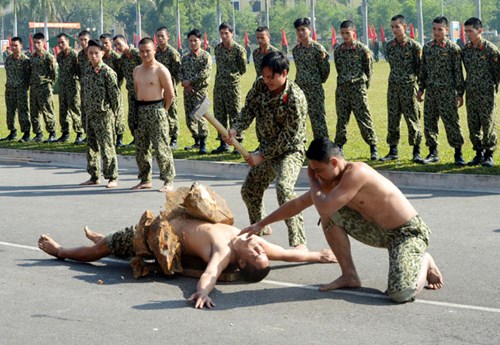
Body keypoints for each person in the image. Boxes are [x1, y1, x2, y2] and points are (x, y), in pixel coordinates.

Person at [242, 138, 444, 303]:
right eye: (313, 171)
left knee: (400, 294)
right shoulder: (331, 180)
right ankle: (350, 275)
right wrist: (260, 223)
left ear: (334, 162)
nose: (315, 175)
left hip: (407, 233)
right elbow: (298, 204)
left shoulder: (358, 173)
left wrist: (312, 180)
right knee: (329, 216)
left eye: (318, 170)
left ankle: (424, 261)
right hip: (380, 232)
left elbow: (324, 205)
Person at [37, 208, 337, 309]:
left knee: (99, 252)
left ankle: (61, 250)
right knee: (113, 242)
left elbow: (210, 275)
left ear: (242, 263)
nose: (260, 248)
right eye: (261, 251)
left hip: (158, 235)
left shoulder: (225, 252)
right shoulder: (253, 243)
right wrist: (319, 256)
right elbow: (287, 254)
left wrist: (203, 293)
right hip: (176, 217)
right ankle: (108, 240)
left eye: (256, 253)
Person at [226, 51, 308, 249]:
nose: (267, 80)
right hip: (266, 150)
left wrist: (261, 156)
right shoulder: (260, 85)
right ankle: (260, 228)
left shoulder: (295, 98)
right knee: (250, 190)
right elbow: (249, 110)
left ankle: (299, 241)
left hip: (290, 151)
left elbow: (290, 136)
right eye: (264, 75)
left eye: (271, 77)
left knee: (284, 188)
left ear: (285, 73)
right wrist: (236, 129)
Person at [417, 16, 465, 165]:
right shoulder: (428, 47)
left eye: (440, 29)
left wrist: (460, 93)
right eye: (434, 29)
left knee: (451, 122)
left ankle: (458, 154)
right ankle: (433, 152)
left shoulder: (453, 49)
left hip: (447, 92)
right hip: (431, 91)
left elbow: (458, 73)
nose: (436, 32)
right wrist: (420, 89)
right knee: (429, 122)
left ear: (446, 30)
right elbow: (423, 70)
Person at [131, 37, 176, 193]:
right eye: (142, 51)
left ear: (154, 50)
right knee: (141, 148)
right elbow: (137, 90)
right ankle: (145, 179)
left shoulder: (160, 70)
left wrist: (164, 110)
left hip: (157, 109)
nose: (144, 54)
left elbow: (170, 94)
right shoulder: (136, 70)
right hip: (141, 110)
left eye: (148, 51)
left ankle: (168, 179)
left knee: (161, 146)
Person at [79, 39, 122, 188]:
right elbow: (83, 93)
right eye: (90, 53)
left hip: (104, 115)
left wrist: (118, 118)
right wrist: (82, 112)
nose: (93, 56)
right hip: (89, 113)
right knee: (91, 146)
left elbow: (116, 97)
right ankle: (94, 175)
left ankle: (112, 177)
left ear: (102, 53)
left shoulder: (108, 72)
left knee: (107, 147)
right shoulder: (86, 71)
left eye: (96, 53)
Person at [333, 20, 379, 160]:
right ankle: (339, 147)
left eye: (347, 33)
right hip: (342, 89)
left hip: (358, 88)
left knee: (364, 118)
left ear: (354, 32)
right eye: (342, 33)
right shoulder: (338, 51)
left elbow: (369, 71)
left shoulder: (362, 50)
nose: (345, 36)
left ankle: (373, 147)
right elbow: (339, 69)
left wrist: (363, 87)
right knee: (342, 120)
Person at [381, 15, 423, 162]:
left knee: (412, 119)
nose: (394, 29)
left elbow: (420, 70)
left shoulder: (414, 46)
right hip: (393, 87)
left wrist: (420, 89)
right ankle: (393, 150)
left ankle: (416, 151)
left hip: (409, 87)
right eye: (392, 27)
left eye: (397, 26)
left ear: (404, 27)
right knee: (393, 118)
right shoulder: (389, 46)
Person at [461, 17, 500, 167]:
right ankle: (478, 153)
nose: (468, 34)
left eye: (470, 31)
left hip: (486, 94)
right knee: (473, 124)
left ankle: (489, 154)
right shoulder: (466, 50)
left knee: (488, 123)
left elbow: (497, 72)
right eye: (466, 31)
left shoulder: (490, 50)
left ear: (480, 31)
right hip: (471, 92)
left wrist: (491, 87)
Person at [292, 17, 330, 140]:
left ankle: (322, 147)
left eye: (303, 29)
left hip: (314, 88)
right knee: (299, 118)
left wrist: (317, 81)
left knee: (318, 119)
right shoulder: (296, 50)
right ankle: (300, 146)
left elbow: (325, 69)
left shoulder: (318, 49)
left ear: (309, 30)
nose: (301, 33)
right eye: (298, 30)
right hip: (300, 89)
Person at [211, 22, 246, 154]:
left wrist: (232, 77)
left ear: (232, 33)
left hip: (232, 86)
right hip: (219, 86)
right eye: (222, 33)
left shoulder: (239, 50)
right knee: (219, 114)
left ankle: (238, 143)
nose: (224, 36)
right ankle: (223, 143)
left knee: (235, 114)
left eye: (227, 33)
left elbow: (242, 69)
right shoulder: (218, 49)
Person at [179, 29, 212, 154]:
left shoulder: (205, 56)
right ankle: (196, 140)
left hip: (200, 92)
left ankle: (203, 143)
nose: (193, 43)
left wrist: (190, 82)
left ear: (200, 41)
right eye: (191, 41)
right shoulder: (185, 58)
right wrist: (185, 83)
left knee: (201, 117)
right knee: (189, 118)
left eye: (195, 40)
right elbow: (180, 72)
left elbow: (205, 73)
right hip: (188, 92)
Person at [155, 26, 182, 150]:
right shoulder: (155, 52)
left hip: (169, 88)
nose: (160, 39)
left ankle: (174, 138)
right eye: (158, 36)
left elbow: (178, 72)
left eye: (162, 36)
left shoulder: (173, 53)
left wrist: (171, 86)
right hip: (156, 88)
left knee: (171, 112)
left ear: (167, 37)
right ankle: (161, 137)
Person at [113, 34, 142, 145]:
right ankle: (135, 138)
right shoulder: (122, 59)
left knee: (142, 116)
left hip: (143, 91)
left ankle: (144, 139)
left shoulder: (136, 54)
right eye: (115, 45)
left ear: (125, 41)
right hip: (131, 91)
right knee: (132, 117)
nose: (118, 47)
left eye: (119, 44)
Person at [55, 33, 84, 144]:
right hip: (63, 86)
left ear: (68, 42)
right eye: (58, 43)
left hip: (73, 85)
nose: (61, 45)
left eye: (62, 42)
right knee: (63, 110)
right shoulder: (59, 56)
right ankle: (65, 133)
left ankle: (79, 133)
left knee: (75, 109)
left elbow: (79, 71)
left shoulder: (74, 55)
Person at [29, 32, 58, 143]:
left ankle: (52, 133)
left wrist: (50, 84)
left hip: (44, 87)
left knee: (47, 110)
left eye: (38, 43)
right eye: (34, 42)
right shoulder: (32, 57)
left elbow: (54, 73)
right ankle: (38, 134)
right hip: (34, 87)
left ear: (43, 43)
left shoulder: (48, 57)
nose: (36, 45)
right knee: (34, 112)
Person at [1, 36, 31, 142]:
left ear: (21, 46)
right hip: (9, 89)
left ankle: (26, 133)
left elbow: (29, 76)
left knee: (23, 111)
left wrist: (24, 87)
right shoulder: (8, 59)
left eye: (16, 45)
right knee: (10, 112)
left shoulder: (26, 61)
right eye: (12, 45)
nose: (13, 48)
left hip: (21, 90)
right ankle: (12, 132)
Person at [100, 33, 125, 148]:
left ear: (111, 43)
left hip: (115, 88)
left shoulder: (116, 57)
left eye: (106, 43)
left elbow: (121, 74)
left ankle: (119, 137)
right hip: (103, 91)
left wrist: (115, 85)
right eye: (102, 43)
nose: (104, 45)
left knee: (118, 112)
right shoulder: (101, 57)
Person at [77, 30, 92, 144]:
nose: (83, 42)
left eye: (85, 40)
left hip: (94, 87)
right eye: (81, 40)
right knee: (85, 111)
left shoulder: (93, 52)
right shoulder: (80, 55)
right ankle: (88, 134)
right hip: (84, 86)